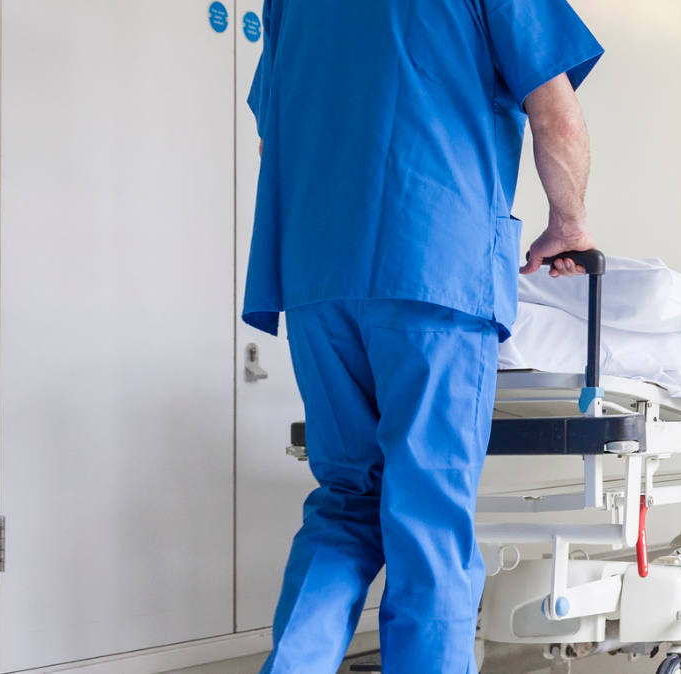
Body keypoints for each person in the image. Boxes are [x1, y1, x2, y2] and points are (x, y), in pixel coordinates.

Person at [242, 2, 603, 671]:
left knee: (347, 501)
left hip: (318, 277)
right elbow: (554, 111)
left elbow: (273, 136)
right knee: (428, 511)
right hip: (435, 265)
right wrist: (569, 224)